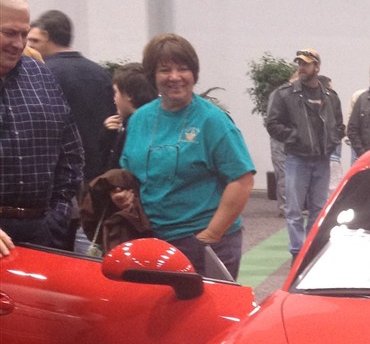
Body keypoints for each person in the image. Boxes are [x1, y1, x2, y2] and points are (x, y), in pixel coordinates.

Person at [0, 0, 84, 344]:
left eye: (22, 32)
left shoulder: (40, 76)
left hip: (40, 231)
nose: (16, 43)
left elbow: (71, 151)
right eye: (6, 33)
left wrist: (57, 216)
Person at [120, 33, 255, 278]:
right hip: (153, 241)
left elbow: (242, 180)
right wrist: (124, 196)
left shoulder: (212, 121)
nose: (175, 77)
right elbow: (129, 174)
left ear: (194, 74)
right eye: (165, 70)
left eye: (183, 69)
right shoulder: (140, 119)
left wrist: (211, 235)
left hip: (205, 242)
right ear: (152, 76)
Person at [266, 49, 344, 260]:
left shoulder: (330, 97)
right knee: (294, 210)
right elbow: (273, 124)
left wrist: (332, 141)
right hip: (297, 159)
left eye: (306, 64)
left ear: (317, 67)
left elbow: (339, 125)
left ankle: (310, 250)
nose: (301, 67)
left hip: (322, 160)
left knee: (318, 209)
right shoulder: (285, 94)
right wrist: (295, 137)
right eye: (299, 63)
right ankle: (297, 252)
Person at [27, 8, 115, 189]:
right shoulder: (101, 73)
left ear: (47, 36)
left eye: (34, 40)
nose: (29, 46)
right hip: (99, 174)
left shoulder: (41, 74)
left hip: (60, 176)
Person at [99, 62, 157, 172]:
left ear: (129, 95)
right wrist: (108, 136)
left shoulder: (134, 129)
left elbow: (112, 167)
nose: (114, 98)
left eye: (115, 92)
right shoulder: (155, 122)